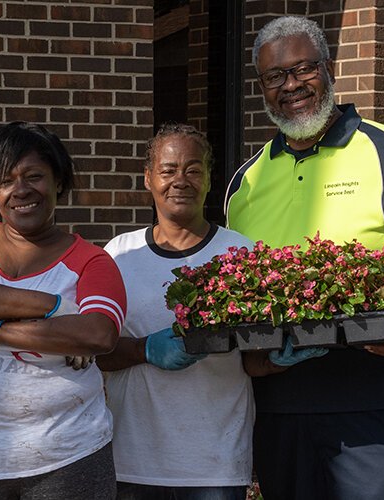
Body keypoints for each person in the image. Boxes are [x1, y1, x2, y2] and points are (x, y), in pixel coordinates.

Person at [224, 16, 384, 499]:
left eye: (303, 69)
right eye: (275, 77)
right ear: (262, 88)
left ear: (329, 68)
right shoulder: (245, 183)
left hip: (379, 400)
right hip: (280, 407)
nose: (291, 86)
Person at [0, 122, 126, 500]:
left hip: (69, 459)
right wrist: (54, 307)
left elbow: (98, 334)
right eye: (6, 180)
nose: (20, 190)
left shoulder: (92, 262)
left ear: (59, 183)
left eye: (35, 176)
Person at [98, 124, 255, 500]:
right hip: (132, 461)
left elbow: (255, 360)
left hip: (214, 463)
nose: (180, 180)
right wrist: (145, 350)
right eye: (168, 170)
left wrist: (282, 354)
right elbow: (91, 350)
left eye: (193, 169)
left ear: (209, 179)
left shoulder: (240, 254)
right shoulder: (118, 255)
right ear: (148, 179)